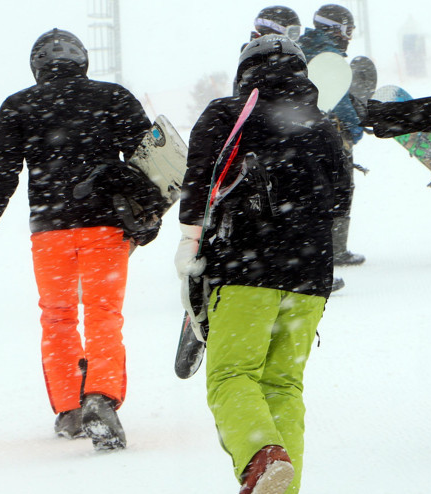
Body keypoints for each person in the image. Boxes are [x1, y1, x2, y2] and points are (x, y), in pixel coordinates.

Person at [0, 28, 159, 451]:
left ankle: (70, 407)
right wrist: (152, 212)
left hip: (49, 231)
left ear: (36, 66)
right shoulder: (112, 97)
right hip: (104, 227)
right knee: (103, 314)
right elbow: (151, 161)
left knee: (57, 317)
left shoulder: (18, 105)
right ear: (82, 60)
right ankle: (101, 398)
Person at [174, 35, 346, 494]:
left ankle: (261, 457)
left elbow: (199, 183)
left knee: (232, 375)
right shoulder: (324, 125)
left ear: (244, 73)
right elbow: (340, 202)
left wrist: (190, 241)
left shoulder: (226, 114)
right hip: (311, 279)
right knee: (283, 386)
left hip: (245, 271)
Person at [297, 4, 366, 267]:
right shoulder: (329, 56)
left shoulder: (300, 50)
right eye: (347, 30)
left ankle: (309, 247)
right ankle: (335, 249)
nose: (349, 37)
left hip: (302, 134)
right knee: (340, 188)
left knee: (312, 191)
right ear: (334, 29)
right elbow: (340, 101)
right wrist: (356, 127)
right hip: (331, 134)